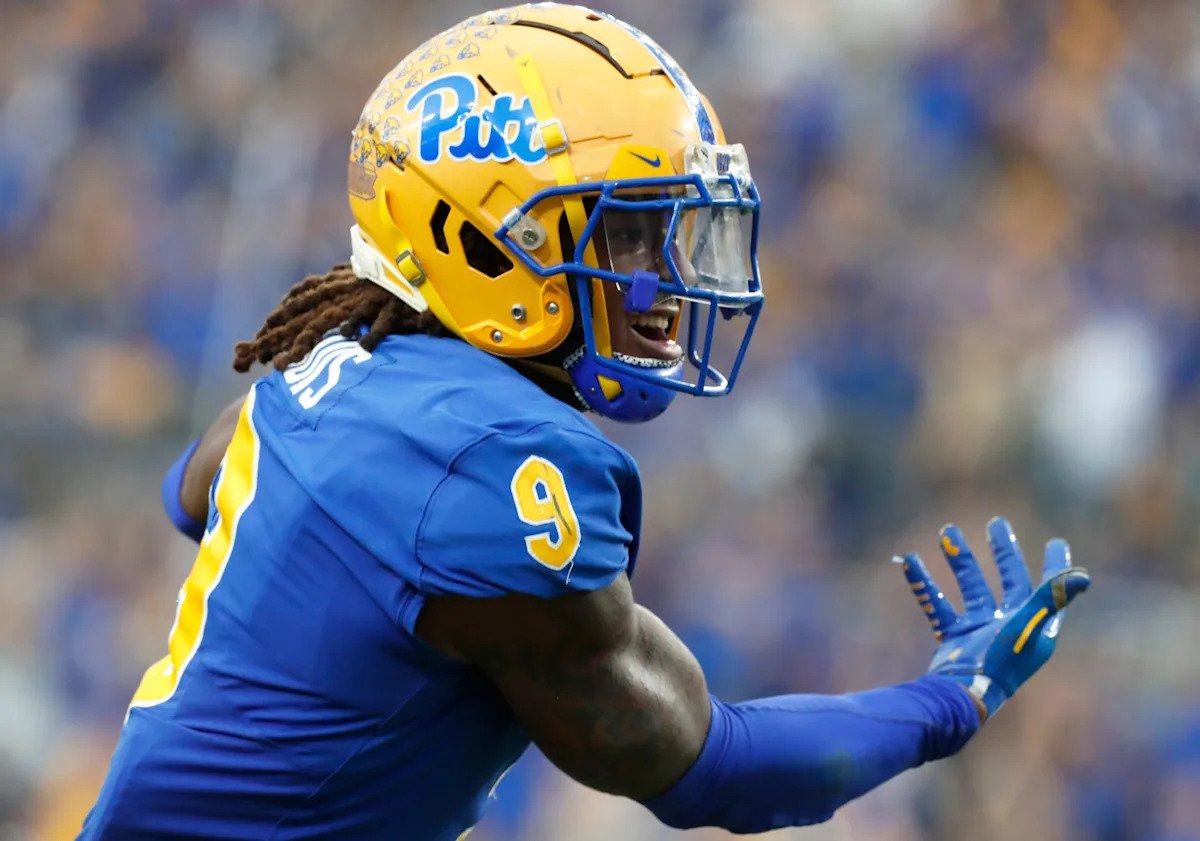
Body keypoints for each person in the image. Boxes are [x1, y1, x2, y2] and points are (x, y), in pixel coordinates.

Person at [81, 4, 1091, 839]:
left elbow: (192, 489)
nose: (668, 280)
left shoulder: (332, 374)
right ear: (488, 242)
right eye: (629, 233)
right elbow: (713, 768)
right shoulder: (491, 465)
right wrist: (947, 701)